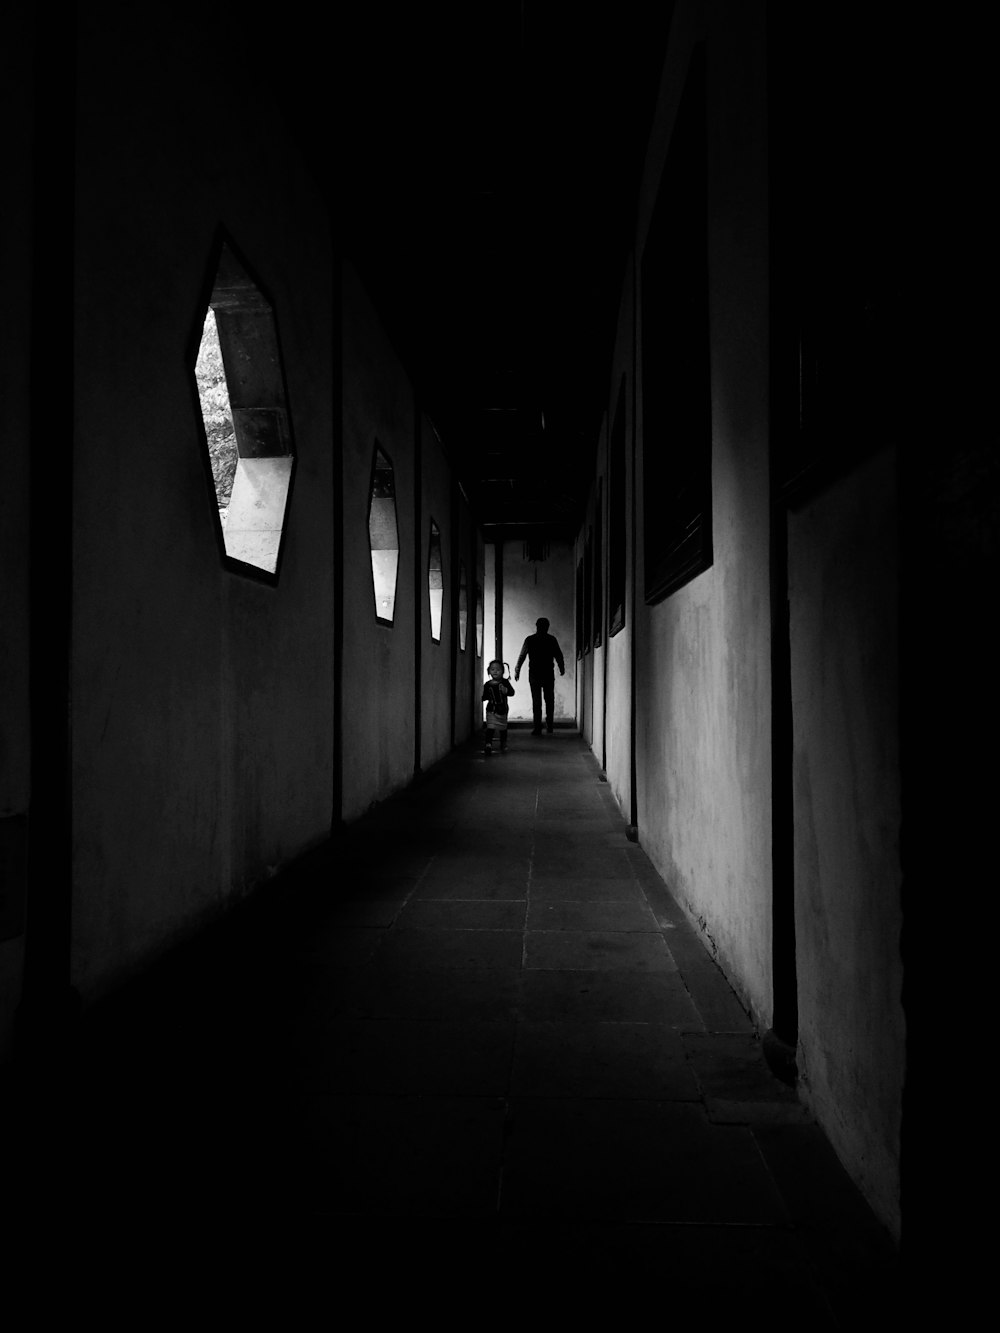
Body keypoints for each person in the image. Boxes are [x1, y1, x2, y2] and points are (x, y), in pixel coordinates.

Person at [514, 617, 565, 735]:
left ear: (536, 626)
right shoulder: (551, 639)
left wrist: (517, 670)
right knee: (549, 700)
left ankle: (538, 727)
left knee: (537, 701)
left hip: (535, 674)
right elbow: (558, 655)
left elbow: (522, 656)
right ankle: (549, 725)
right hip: (547, 673)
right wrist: (561, 667)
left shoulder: (530, 640)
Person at [482, 659, 515, 755]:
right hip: (491, 710)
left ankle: (503, 743)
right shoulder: (487, 685)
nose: (495, 671)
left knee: (503, 728)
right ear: (489, 671)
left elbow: (512, 692)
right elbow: (484, 696)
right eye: (492, 669)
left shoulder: (505, 682)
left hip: (502, 710)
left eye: (498, 669)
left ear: (503, 671)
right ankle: (488, 744)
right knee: (490, 728)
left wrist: (506, 691)